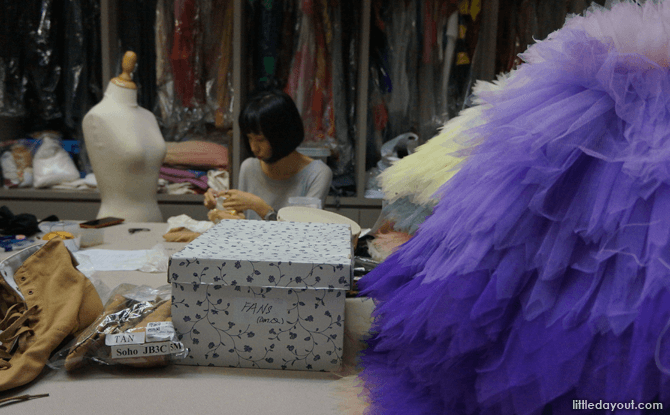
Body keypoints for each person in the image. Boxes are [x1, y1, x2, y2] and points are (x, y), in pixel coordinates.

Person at [204, 89, 332, 221]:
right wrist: (220, 203)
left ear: (283, 135)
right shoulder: (249, 168)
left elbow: (302, 234)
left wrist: (260, 207)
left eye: (260, 140)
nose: (254, 148)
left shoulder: (317, 174)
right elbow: (241, 219)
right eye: (249, 138)